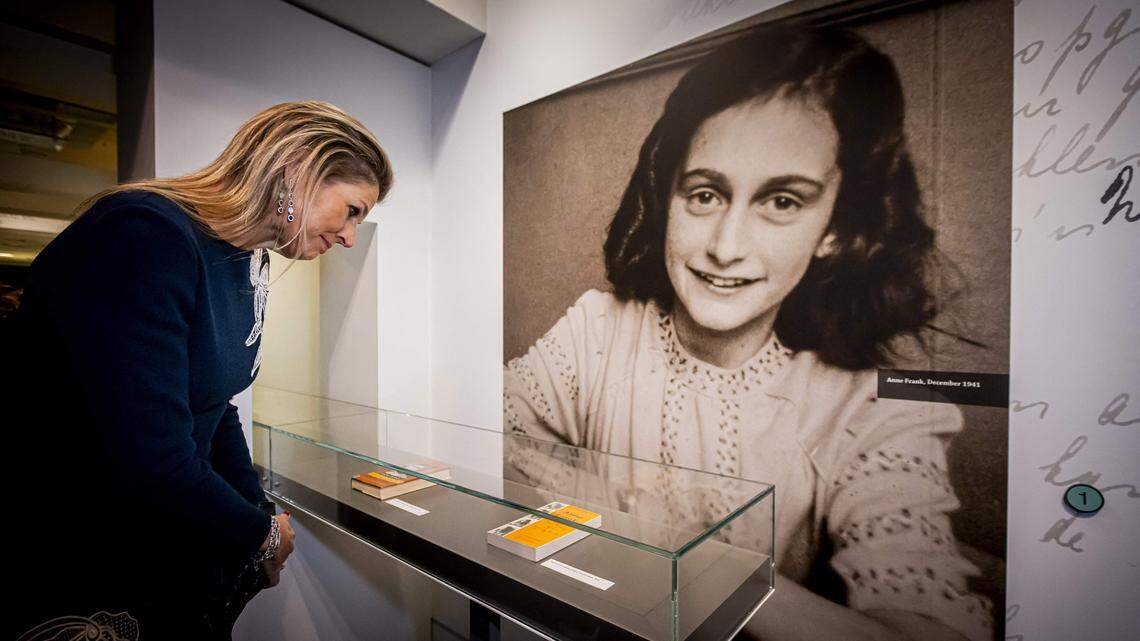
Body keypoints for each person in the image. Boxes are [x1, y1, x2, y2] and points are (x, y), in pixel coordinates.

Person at [503, 27, 993, 641]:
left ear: (837, 226)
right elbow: (489, 450)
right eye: (705, 193)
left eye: (782, 201)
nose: (725, 247)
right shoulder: (598, 328)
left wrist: (683, 555)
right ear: (670, 195)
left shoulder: (875, 409)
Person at [6, 101, 392, 640]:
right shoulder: (142, 233)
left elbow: (214, 404)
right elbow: (150, 458)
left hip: (166, 555)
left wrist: (258, 515)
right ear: (299, 169)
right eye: (353, 210)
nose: (352, 236)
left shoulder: (243, 258)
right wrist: (256, 532)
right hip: (85, 560)